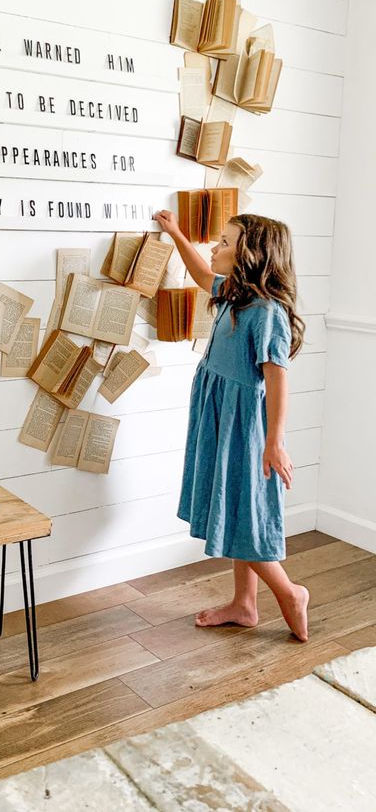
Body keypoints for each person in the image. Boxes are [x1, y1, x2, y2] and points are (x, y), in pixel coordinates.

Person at [153, 210, 309, 641]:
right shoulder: (234, 293)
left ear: (250, 254)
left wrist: (274, 443)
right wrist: (175, 233)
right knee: (237, 506)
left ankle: (289, 592)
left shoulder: (267, 312)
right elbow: (202, 274)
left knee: (245, 516)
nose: (214, 248)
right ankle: (244, 604)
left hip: (245, 426)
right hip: (219, 414)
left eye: (224, 242)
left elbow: (277, 379)